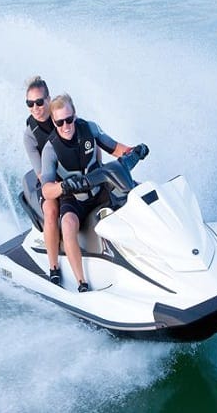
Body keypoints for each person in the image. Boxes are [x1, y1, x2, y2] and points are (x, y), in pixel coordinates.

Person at [40, 93, 147, 292]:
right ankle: (82, 283)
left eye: (69, 119)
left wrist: (137, 150)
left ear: (75, 115)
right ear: (54, 122)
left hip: (100, 187)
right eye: (60, 122)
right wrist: (64, 186)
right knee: (68, 224)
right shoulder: (50, 149)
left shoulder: (89, 128)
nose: (66, 126)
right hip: (74, 198)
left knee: (139, 191)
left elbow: (117, 149)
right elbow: (46, 190)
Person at [23, 76, 62, 284]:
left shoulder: (62, 116)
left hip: (75, 173)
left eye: (39, 102)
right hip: (49, 181)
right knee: (51, 210)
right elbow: (42, 174)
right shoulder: (30, 136)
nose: (36, 107)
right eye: (30, 104)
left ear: (48, 99)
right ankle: (53, 266)